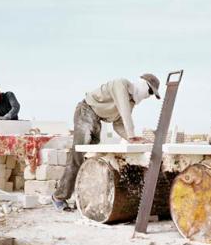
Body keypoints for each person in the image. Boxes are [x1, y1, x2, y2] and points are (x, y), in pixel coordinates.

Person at [52, 74, 161, 211]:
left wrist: (132, 139)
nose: (149, 95)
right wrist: (131, 134)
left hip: (97, 120)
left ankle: (79, 197)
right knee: (78, 154)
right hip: (86, 111)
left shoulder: (130, 103)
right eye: (150, 91)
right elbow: (124, 111)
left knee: (88, 159)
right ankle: (59, 197)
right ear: (144, 84)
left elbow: (119, 124)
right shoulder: (121, 84)